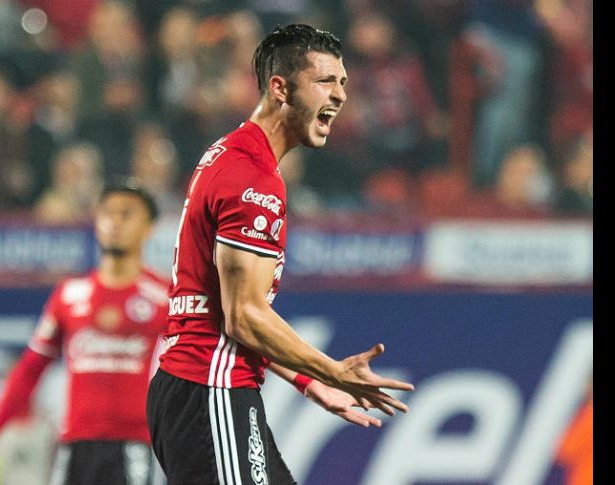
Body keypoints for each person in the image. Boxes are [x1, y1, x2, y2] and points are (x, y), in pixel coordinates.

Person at [147, 24, 415, 485]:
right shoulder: (252, 178)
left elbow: (225, 310)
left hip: (200, 388)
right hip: (211, 387)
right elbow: (244, 317)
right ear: (280, 88)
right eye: (325, 81)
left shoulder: (229, 154)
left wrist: (307, 382)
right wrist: (331, 372)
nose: (341, 95)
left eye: (343, 82)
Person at [0, 181, 170, 485]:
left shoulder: (164, 296)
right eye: (108, 213)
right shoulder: (69, 294)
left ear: (149, 227)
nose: (115, 222)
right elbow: (29, 369)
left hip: (134, 445)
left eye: (127, 214)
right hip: (74, 445)